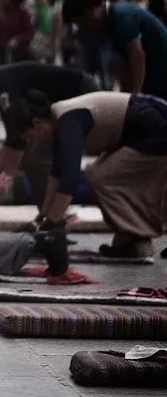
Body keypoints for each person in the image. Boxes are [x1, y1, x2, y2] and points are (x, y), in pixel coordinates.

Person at [11, 89, 167, 266]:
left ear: (37, 123)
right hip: (142, 129)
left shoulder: (68, 122)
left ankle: (136, 238)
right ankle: (130, 238)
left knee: (100, 178)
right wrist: (42, 217)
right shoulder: (59, 119)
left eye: (28, 135)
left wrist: (52, 226)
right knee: (97, 174)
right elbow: (57, 174)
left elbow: (70, 180)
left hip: (158, 128)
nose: (32, 140)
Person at [0, 61, 97, 208]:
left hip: (83, 98)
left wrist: (7, 174)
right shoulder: (0, 88)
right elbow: (13, 136)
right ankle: (48, 213)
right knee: (34, 159)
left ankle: (54, 214)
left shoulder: (4, 87)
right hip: (64, 107)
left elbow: (17, 135)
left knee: (39, 160)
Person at [62, 0, 167, 99]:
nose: (83, 29)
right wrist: (124, 96)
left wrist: (135, 98)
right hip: (153, 70)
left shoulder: (121, 17)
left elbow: (138, 58)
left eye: (80, 23)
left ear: (90, 13)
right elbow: (123, 62)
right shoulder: (109, 24)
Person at [0, 0, 34, 65]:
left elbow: (29, 32)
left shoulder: (21, 13)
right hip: (1, 53)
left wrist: (17, 39)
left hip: (18, 53)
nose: (1, 1)